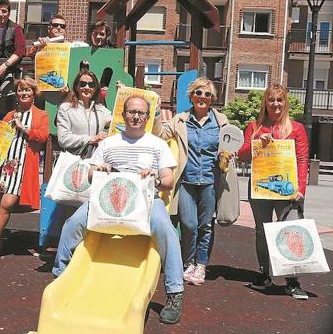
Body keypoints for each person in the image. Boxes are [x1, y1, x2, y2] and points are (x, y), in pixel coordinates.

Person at [52, 96, 184, 324]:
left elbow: (169, 180)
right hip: (109, 201)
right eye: (131, 112)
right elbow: (91, 175)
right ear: (123, 115)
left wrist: (154, 177)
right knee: (73, 223)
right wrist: (99, 170)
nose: (136, 116)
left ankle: (175, 292)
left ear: (147, 116)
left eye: (141, 113)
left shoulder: (157, 145)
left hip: (145, 201)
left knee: (167, 230)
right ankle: (60, 274)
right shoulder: (108, 143)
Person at [153, 77, 238, 285]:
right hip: (187, 181)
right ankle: (187, 262)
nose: (203, 97)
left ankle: (201, 265)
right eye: (198, 93)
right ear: (191, 96)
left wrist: (228, 156)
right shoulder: (180, 120)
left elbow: (231, 147)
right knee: (188, 224)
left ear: (212, 99)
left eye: (207, 94)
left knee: (205, 225)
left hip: (211, 181)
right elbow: (159, 134)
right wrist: (156, 113)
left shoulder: (221, 122)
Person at [237, 84, 309, 299]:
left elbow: (303, 159)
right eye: (271, 100)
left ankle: (292, 280)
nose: (276, 104)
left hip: (288, 191)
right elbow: (242, 155)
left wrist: (301, 188)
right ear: (265, 103)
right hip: (260, 189)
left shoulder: (296, 128)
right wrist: (257, 143)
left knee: (290, 231)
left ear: (285, 102)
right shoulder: (255, 127)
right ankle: (264, 274)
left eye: (279, 100)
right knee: (262, 231)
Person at [0, 77, 49, 262]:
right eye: (21, 90)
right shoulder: (9, 114)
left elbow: (43, 136)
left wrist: (24, 128)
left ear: (34, 94)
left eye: (27, 91)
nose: (24, 93)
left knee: (7, 204)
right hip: (4, 164)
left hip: (22, 166)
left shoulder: (41, 115)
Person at [56, 69, 112, 158]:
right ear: (76, 87)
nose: (87, 87)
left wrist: (121, 94)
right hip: (74, 160)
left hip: (96, 160)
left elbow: (118, 122)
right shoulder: (66, 108)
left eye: (91, 85)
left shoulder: (101, 109)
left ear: (95, 88)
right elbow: (63, 139)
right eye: (82, 84)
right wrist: (90, 139)